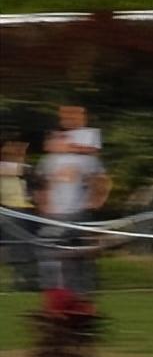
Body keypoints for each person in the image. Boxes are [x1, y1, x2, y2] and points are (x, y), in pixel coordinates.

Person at [35, 124, 111, 294]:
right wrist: (44, 205)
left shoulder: (85, 160)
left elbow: (103, 180)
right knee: (50, 253)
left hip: (77, 215)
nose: (53, 143)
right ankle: (55, 290)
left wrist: (96, 200)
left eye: (57, 138)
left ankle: (82, 290)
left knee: (78, 254)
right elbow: (42, 185)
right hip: (54, 216)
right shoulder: (48, 161)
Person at [0, 139, 39, 290]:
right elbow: (20, 169)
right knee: (20, 247)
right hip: (13, 211)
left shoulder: (23, 170)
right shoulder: (9, 168)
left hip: (26, 212)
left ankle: (28, 280)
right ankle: (24, 280)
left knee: (27, 247)